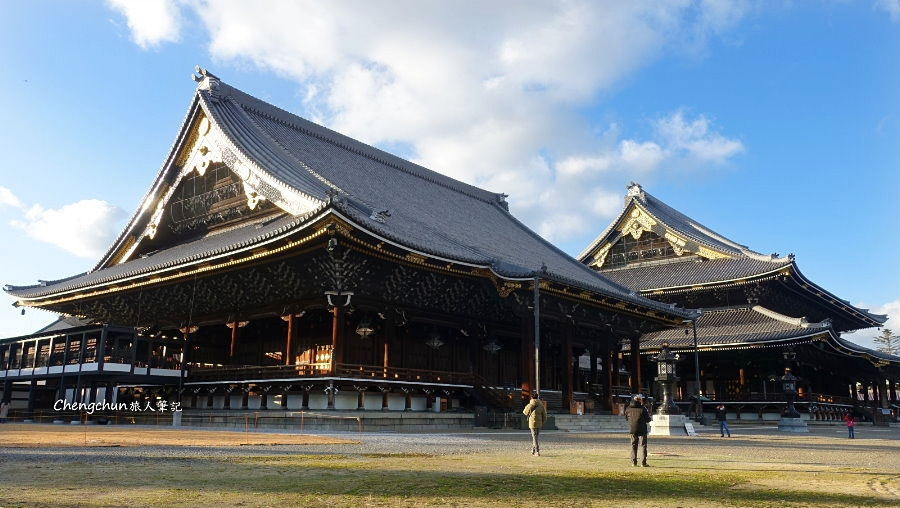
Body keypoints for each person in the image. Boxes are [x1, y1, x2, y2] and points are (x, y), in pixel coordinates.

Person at [625, 394, 651, 467]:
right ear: (640, 400)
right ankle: (643, 462)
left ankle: (634, 462)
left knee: (633, 445)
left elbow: (626, 418)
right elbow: (648, 419)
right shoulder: (643, 408)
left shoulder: (628, 408)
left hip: (632, 428)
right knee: (643, 445)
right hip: (642, 429)